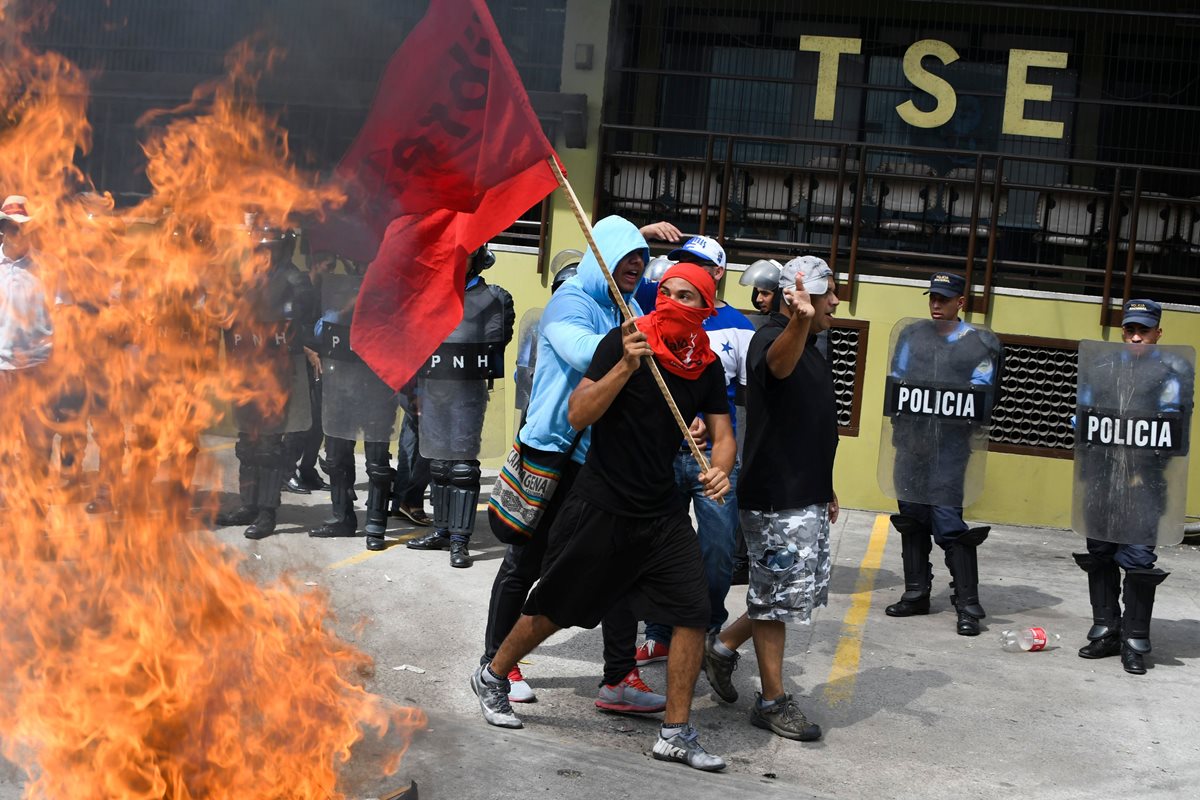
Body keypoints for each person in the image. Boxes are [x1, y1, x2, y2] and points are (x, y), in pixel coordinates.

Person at [472, 262, 734, 772]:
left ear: (706, 307)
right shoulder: (625, 339)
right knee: (555, 607)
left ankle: (676, 733)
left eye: (688, 296)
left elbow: (723, 436)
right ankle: (493, 675)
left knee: (692, 611)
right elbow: (578, 412)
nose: (673, 302)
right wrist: (624, 367)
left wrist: (719, 471)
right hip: (602, 503)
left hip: (662, 511)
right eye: (668, 292)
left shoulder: (704, 364)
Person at [480, 217, 664, 711]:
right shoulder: (571, 303)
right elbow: (584, 353)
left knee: (616, 566)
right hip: (551, 454)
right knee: (527, 562)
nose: (637, 266)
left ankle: (619, 678)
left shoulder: (626, 305)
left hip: (598, 459)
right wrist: (630, 348)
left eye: (641, 259)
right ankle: (496, 659)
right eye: (626, 256)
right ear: (602, 255)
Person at [702, 255, 841, 743]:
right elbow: (777, 367)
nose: (836, 301)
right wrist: (799, 322)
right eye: (829, 294)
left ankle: (720, 649)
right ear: (798, 298)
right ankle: (772, 701)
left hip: (804, 494)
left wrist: (825, 487)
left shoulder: (814, 349)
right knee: (775, 601)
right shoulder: (771, 339)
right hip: (775, 499)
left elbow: (810, 425)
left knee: (780, 596)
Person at [634, 236, 755, 669]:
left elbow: (744, 402)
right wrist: (643, 235)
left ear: (717, 275)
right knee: (656, 544)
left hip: (715, 459)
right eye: (678, 263)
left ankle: (705, 624)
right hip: (663, 453)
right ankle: (658, 632)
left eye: (696, 265)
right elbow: (612, 268)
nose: (682, 270)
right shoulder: (652, 302)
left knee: (718, 550)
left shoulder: (742, 328)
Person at [1072, 299, 1190, 674]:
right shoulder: (1102, 367)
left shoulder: (1172, 371)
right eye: (1130, 330)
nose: (1136, 337)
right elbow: (1085, 420)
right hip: (1103, 480)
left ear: (1158, 333)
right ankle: (1107, 629)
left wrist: (1142, 466)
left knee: (1138, 559)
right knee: (1100, 551)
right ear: (1122, 332)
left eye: (1144, 330)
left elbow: (1174, 429)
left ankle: (1134, 639)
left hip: (1145, 482)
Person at [882, 272, 1000, 637]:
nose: (936, 304)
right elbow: (898, 378)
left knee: (948, 522)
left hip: (950, 447)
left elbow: (984, 393)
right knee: (912, 516)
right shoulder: (912, 334)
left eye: (944, 299)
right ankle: (916, 592)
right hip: (911, 442)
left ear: (960, 302)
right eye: (933, 297)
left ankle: (967, 605)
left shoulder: (979, 344)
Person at [406, 246, 514, 568]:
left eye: (464, 255)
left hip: (467, 392)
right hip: (433, 388)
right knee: (438, 464)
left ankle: (459, 541)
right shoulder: (429, 296)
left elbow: (495, 342)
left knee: (462, 468)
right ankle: (441, 530)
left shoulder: (494, 298)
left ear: (477, 258)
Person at [214, 223, 317, 539]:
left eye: (269, 247)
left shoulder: (295, 281)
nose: (263, 253)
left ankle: (266, 511)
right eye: (259, 247)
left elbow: (300, 322)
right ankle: (248, 504)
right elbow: (226, 319)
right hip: (245, 368)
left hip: (277, 373)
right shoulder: (243, 279)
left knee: (270, 445)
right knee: (247, 442)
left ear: (283, 248)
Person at [307, 257, 404, 551]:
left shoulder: (393, 300)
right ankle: (343, 519)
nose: (361, 274)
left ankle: (375, 525)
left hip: (377, 391)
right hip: (341, 390)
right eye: (358, 269)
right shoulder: (338, 300)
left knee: (377, 464)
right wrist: (346, 307)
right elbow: (319, 333)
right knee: (336, 457)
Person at [0, 196, 55, 479]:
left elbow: (64, 314)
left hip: (38, 369)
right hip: (3, 372)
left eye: (21, 228)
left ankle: (35, 504)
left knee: (38, 441)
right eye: (10, 227)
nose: (15, 233)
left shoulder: (48, 267)